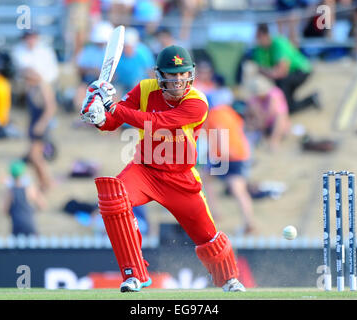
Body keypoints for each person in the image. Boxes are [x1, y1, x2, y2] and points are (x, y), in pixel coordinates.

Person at [79, 45, 246, 292]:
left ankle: (229, 279)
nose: (178, 80)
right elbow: (113, 123)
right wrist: (97, 115)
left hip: (181, 178)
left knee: (208, 237)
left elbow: (157, 123)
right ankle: (134, 275)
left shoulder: (198, 102)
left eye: (182, 74)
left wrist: (112, 106)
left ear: (190, 73)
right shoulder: (145, 89)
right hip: (145, 170)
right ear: (160, 74)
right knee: (113, 196)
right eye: (172, 74)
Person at [201, 80, 257, 235]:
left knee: (205, 180)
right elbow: (240, 131)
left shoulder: (213, 115)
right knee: (238, 189)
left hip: (227, 155)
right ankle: (248, 222)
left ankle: (213, 214)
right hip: (240, 153)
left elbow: (218, 133)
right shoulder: (230, 112)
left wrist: (217, 154)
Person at [11, 29, 58, 192]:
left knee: (35, 157)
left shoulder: (43, 87)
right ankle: (44, 182)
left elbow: (51, 108)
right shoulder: (31, 88)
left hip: (40, 127)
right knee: (35, 157)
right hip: (34, 126)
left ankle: (47, 182)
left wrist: (41, 124)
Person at [252, 23, 321, 114]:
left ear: (265, 35)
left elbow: (280, 72)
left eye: (258, 37)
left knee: (285, 104)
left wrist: (265, 72)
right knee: (285, 101)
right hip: (291, 73)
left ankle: (311, 100)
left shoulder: (278, 43)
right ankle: (311, 99)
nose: (257, 40)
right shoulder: (261, 50)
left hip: (302, 70)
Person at [241, 76, 291, 152]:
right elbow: (249, 112)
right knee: (251, 112)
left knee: (280, 116)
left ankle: (274, 141)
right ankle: (258, 137)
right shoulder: (254, 98)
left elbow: (273, 111)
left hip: (275, 124)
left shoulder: (275, 93)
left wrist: (261, 120)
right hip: (261, 123)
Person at [74, 21, 113, 111]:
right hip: (89, 81)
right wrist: (91, 70)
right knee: (80, 94)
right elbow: (79, 69)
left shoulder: (113, 53)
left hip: (107, 84)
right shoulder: (88, 50)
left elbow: (116, 74)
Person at [4, 160, 46, 236]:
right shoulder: (30, 189)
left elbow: (5, 210)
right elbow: (42, 205)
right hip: (30, 225)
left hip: (16, 225)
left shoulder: (10, 191)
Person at [114, 28, 156, 95]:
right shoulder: (118, 54)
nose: (126, 49)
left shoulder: (143, 53)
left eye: (128, 47)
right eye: (124, 47)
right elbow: (114, 74)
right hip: (121, 83)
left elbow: (151, 72)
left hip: (140, 83)